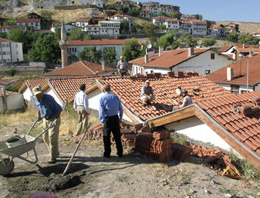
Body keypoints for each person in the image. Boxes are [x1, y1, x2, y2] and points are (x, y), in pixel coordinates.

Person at [32, 86, 62, 164]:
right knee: (45, 137)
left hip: (54, 118)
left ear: (42, 92)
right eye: (37, 95)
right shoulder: (36, 99)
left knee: (52, 138)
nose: (39, 96)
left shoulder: (49, 98)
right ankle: (54, 152)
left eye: (40, 94)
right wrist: (39, 116)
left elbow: (58, 108)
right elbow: (39, 107)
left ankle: (53, 157)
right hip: (45, 119)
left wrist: (57, 119)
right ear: (34, 95)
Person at [99, 84, 123, 158]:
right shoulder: (115, 97)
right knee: (117, 136)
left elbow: (101, 111)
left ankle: (107, 153)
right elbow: (121, 109)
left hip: (107, 119)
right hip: (115, 118)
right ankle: (120, 153)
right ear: (110, 89)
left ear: (103, 90)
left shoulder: (102, 98)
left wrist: (102, 121)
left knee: (106, 137)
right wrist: (120, 118)